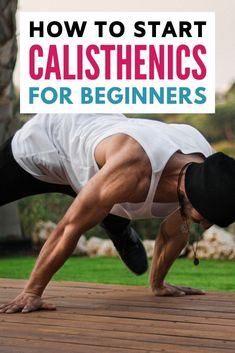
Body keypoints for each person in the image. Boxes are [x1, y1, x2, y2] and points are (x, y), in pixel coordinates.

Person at [0, 113, 234, 314]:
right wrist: (32, 292)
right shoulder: (131, 168)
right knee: (93, 207)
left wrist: (158, 284)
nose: (204, 226)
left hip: (100, 171)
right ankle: (115, 223)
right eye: (205, 217)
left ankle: (116, 222)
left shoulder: (208, 170)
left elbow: (174, 232)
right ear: (187, 190)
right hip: (49, 145)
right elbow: (68, 228)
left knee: (106, 201)